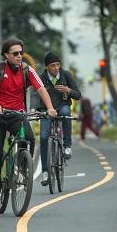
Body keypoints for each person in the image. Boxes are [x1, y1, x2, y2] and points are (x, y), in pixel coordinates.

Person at [0, 38, 57, 205]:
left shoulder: (27, 70)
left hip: (17, 114)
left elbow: (41, 89)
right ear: (7, 55)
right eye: (15, 53)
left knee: (29, 139)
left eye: (21, 53)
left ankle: (23, 166)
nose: (19, 56)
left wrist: (50, 108)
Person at [35, 52, 81, 186]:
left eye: (57, 65)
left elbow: (78, 95)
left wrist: (68, 90)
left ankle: (67, 146)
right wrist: (33, 108)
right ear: (46, 67)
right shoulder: (41, 78)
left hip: (62, 107)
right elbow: (35, 95)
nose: (56, 68)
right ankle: (45, 171)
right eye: (52, 65)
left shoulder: (66, 75)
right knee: (43, 138)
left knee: (66, 113)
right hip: (46, 110)